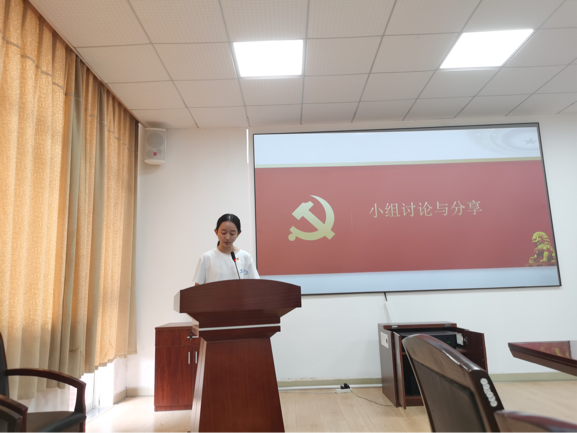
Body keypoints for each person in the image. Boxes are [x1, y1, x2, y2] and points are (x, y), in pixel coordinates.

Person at [193, 213, 259, 285]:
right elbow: (197, 288)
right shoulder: (206, 258)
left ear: (238, 234)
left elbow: (255, 285)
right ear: (216, 232)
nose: (227, 237)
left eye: (232, 234)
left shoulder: (245, 257)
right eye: (223, 233)